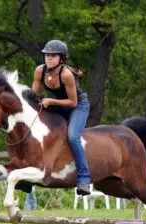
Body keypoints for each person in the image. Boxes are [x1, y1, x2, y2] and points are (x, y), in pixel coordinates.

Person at [31, 39, 91, 195]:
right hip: (60, 106)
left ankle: (84, 180)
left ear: (61, 58)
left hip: (78, 106)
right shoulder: (39, 71)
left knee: (72, 137)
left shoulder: (66, 74)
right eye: (46, 55)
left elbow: (72, 102)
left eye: (53, 55)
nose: (49, 58)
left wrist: (50, 101)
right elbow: (32, 95)